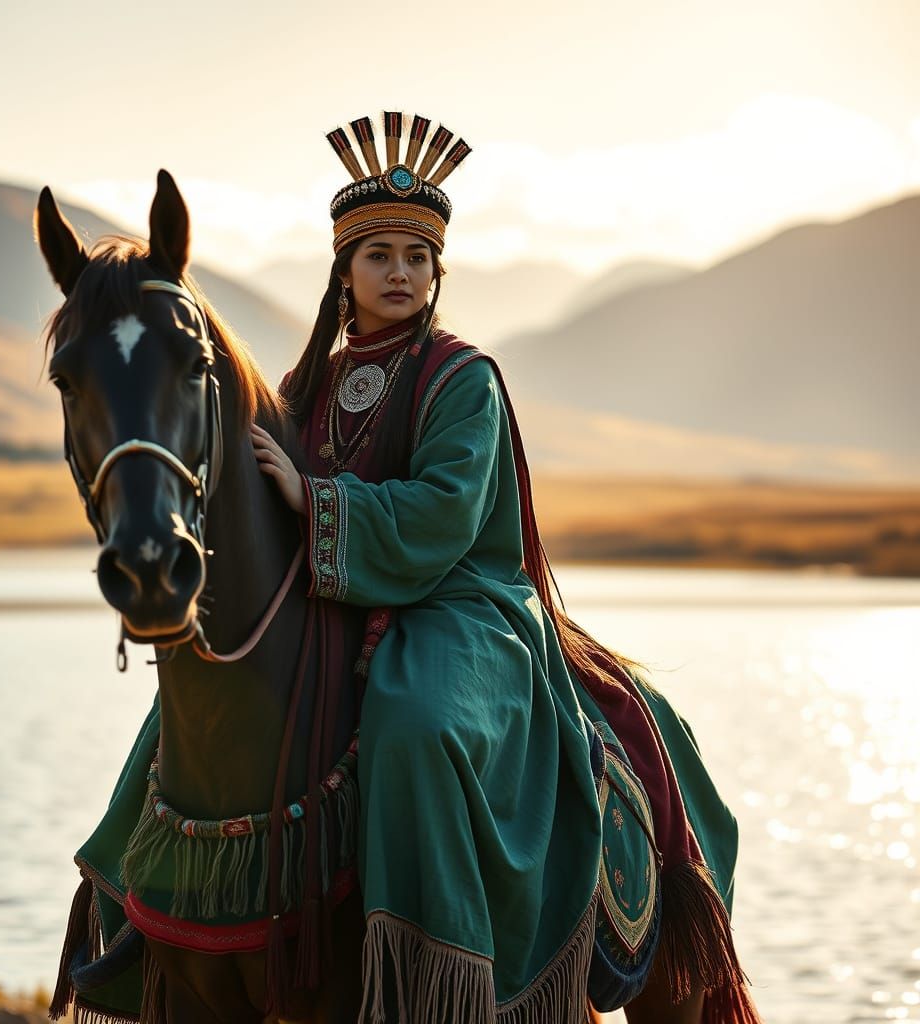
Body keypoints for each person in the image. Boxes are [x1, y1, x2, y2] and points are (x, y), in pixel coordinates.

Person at [251, 113, 761, 1022]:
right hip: (342, 593)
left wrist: (315, 502)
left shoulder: (462, 378)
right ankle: (136, 923)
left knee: (418, 722)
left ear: (438, 272)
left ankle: (445, 975)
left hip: (464, 602)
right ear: (344, 272)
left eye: (417, 256)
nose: (399, 273)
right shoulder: (314, 384)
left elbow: (445, 516)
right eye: (379, 257)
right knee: (192, 724)